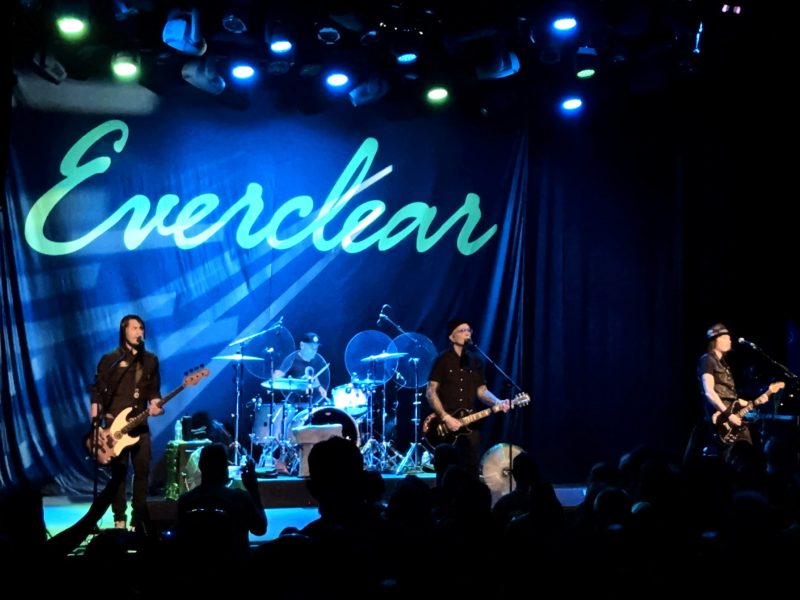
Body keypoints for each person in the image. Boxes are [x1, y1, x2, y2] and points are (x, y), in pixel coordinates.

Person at [89, 314, 164, 531]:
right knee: (118, 475)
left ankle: (137, 518)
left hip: (139, 425)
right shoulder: (109, 360)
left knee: (142, 471)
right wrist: (96, 425)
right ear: (124, 331)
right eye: (134, 328)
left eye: (141, 328)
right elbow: (97, 394)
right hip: (114, 428)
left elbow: (153, 392)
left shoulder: (150, 360)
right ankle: (119, 518)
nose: (139, 332)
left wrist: (157, 406)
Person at [426, 318, 509, 475]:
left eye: (468, 330)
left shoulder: (477, 361)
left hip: (470, 424)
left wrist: (498, 402)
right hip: (446, 424)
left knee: (471, 468)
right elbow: (430, 392)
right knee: (447, 470)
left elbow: (482, 391)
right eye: (461, 330)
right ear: (451, 337)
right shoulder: (442, 360)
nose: (466, 333)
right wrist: (445, 417)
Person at [697, 322, 783, 455]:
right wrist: (728, 415)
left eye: (729, 338)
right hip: (722, 421)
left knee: (746, 455)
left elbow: (732, 397)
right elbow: (709, 392)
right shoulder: (707, 360)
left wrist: (767, 393)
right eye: (724, 337)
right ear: (714, 340)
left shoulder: (725, 366)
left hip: (734, 419)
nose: (729, 340)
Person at [273, 332, 329, 404]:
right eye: (312, 348)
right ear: (302, 345)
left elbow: (313, 377)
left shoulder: (312, 362)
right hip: (292, 404)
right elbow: (276, 378)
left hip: (307, 403)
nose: (314, 351)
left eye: (316, 348)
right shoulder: (291, 359)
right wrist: (276, 377)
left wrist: (320, 388)